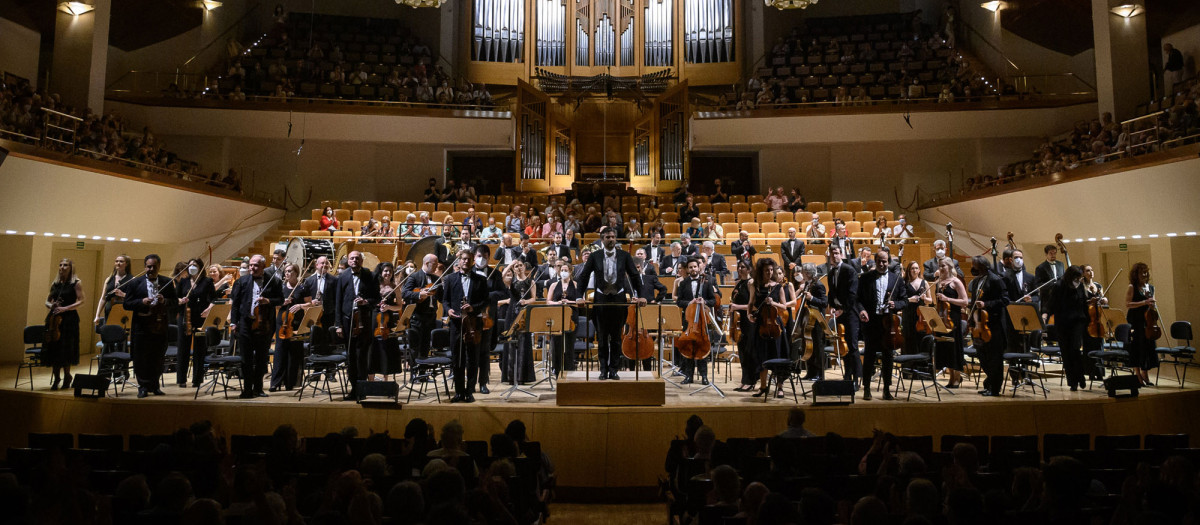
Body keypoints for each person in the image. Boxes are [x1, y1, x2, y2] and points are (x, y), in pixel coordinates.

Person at [576, 227, 645, 380]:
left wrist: (641, 296)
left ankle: (614, 369)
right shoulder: (595, 256)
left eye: (613, 237)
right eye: (608, 237)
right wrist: (578, 297)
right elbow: (584, 277)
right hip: (601, 301)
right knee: (601, 338)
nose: (611, 239)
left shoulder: (624, 256)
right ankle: (603, 370)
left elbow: (634, 276)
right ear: (602, 239)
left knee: (616, 338)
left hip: (619, 300)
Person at [229, 254, 283, 399]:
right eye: (251, 265)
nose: (252, 268)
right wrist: (233, 323)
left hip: (264, 324)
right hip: (246, 323)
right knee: (246, 358)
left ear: (263, 266)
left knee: (261, 358)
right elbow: (235, 304)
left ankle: (258, 388)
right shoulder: (242, 281)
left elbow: (281, 300)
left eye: (256, 265)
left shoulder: (274, 281)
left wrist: (268, 301)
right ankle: (247, 389)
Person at [124, 254, 178, 398]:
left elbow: (174, 302)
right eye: (148, 266)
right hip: (141, 325)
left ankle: (154, 385)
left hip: (160, 325)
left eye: (154, 266)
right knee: (141, 357)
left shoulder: (167, 282)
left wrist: (164, 300)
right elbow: (127, 304)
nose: (151, 269)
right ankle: (142, 386)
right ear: (144, 266)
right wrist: (141, 302)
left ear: (159, 266)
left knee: (158, 356)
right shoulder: (135, 283)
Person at [333, 251, 381, 401]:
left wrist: (366, 302)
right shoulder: (342, 276)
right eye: (352, 258)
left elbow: (377, 298)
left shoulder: (369, 275)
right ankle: (354, 389)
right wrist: (338, 325)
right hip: (347, 321)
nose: (354, 261)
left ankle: (362, 388)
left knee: (362, 356)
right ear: (348, 260)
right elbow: (338, 302)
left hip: (364, 320)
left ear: (361, 260)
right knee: (351, 357)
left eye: (357, 259)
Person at [443, 250, 489, 402]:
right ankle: (458, 392)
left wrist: (473, 308)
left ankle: (469, 392)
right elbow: (445, 301)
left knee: (473, 359)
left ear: (473, 262)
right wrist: (448, 310)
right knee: (457, 359)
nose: (465, 262)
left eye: (468, 259)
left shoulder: (481, 280)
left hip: (473, 324)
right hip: (456, 324)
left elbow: (485, 301)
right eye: (463, 259)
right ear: (459, 261)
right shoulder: (449, 279)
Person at [856, 251, 901, 400]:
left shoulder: (896, 279)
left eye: (885, 261)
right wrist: (862, 310)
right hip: (871, 323)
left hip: (888, 324)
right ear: (875, 261)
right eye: (879, 261)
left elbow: (905, 300)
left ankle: (886, 389)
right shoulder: (865, 278)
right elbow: (857, 299)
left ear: (888, 261)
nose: (882, 264)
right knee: (869, 356)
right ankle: (867, 389)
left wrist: (897, 304)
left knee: (888, 357)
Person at [967, 256, 1010, 397]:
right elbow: (974, 301)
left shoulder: (995, 280)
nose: (973, 268)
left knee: (994, 358)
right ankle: (989, 383)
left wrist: (986, 304)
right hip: (979, 325)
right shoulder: (978, 280)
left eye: (975, 265)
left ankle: (995, 388)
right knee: (983, 356)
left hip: (993, 325)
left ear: (982, 266)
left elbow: (1004, 300)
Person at [747, 259, 789, 398]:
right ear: (761, 271)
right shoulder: (756, 286)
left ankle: (780, 387)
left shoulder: (778, 286)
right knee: (762, 355)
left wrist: (774, 303)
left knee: (777, 354)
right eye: (766, 270)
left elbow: (784, 306)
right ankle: (763, 386)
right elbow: (751, 302)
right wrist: (748, 313)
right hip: (761, 324)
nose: (770, 273)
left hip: (775, 325)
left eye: (771, 270)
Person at [44, 258, 85, 390]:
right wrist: (52, 305)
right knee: (54, 349)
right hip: (54, 319)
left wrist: (65, 308)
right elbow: (47, 300)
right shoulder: (55, 283)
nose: (62, 267)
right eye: (60, 265)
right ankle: (56, 378)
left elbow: (81, 300)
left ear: (71, 268)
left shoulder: (76, 283)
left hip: (69, 320)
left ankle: (67, 376)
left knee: (66, 349)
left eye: (65, 265)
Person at [676, 257, 716, 385]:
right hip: (689, 321)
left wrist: (704, 302)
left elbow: (713, 300)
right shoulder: (683, 283)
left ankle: (704, 376)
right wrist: (690, 303)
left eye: (695, 267)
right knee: (688, 349)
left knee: (702, 349)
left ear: (699, 268)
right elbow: (679, 301)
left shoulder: (707, 282)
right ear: (687, 270)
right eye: (690, 267)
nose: (693, 269)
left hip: (702, 321)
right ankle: (689, 376)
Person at [401, 254, 442, 378]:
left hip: (430, 316)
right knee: (414, 346)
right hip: (417, 317)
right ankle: (414, 374)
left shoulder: (436, 279)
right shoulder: (414, 276)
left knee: (425, 346)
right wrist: (419, 294)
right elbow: (405, 293)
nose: (436, 267)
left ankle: (423, 374)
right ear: (427, 263)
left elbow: (441, 297)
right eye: (434, 264)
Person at [1050, 265, 1090, 391]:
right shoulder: (1059, 286)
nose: (1078, 281)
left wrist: (1088, 319)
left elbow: (1083, 302)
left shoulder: (1079, 285)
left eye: (1079, 278)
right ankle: (1072, 382)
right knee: (1066, 352)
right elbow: (1053, 305)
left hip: (1077, 322)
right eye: (1076, 278)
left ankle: (1080, 377)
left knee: (1075, 349)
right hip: (1063, 323)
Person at [176, 257, 214, 388]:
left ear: (200, 267)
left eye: (195, 265)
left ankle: (197, 379)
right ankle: (181, 379)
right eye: (190, 265)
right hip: (185, 317)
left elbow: (213, 299)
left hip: (200, 317)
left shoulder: (207, 281)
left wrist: (209, 308)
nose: (192, 267)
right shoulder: (183, 281)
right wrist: (180, 301)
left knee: (199, 348)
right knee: (183, 348)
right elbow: (176, 297)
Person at [827, 246, 861, 386]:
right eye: (832, 253)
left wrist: (843, 310)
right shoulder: (830, 272)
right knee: (843, 346)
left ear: (841, 254)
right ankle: (847, 376)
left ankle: (856, 379)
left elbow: (853, 294)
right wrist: (832, 306)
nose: (834, 255)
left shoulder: (849, 270)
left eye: (837, 253)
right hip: (839, 312)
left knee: (852, 346)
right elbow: (831, 293)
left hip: (850, 313)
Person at [270, 263, 305, 391]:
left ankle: (290, 382)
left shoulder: (301, 288)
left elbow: (310, 303)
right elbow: (274, 304)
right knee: (279, 351)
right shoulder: (281, 288)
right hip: (282, 321)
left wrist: (301, 306)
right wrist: (282, 302)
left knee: (294, 352)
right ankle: (275, 382)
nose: (287, 273)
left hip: (296, 322)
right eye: (286, 271)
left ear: (296, 273)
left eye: (290, 271)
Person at [934, 258, 968, 388]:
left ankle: (957, 377)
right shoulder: (938, 282)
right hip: (942, 317)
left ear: (949, 267)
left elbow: (965, 301)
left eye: (943, 266)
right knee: (946, 348)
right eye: (939, 266)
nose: (941, 268)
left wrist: (947, 298)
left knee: (954, 347)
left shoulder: (956, 281)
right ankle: (951, 376)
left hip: (953, 317)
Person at [1124, 262, 1160, 386]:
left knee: (1147, 348)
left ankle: (1145, 373)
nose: (1144, 274)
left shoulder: (1151, 287)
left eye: (1146, 272)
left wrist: (1152, 304)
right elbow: (1128, 304)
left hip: (1147, 322)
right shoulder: (1132, 287)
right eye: (1141, 272)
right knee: (1137, 348)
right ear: (1136, 274)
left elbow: (1153, 305)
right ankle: (1138, 375)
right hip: (1136, 321)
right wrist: (1144, 302)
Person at [501, 261, 536, 386]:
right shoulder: (511, 281)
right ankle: (511, 376)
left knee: (524, 342)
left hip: (524, 313)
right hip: (511, 313)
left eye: (521, 265)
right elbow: (503, 275)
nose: (519, 267)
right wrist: (510, 265)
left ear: (525, 267)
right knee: (511, 342)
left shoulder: (530, 281)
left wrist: (525, 301)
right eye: (517, 266)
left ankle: (523, 376)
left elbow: (533, 298)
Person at [545, 260, 582, 375]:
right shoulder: (554, 285)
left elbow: (580, 303)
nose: (563, 272)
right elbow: (548, 302)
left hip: (571, 318)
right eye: (562, 270)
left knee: (569, 345)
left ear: (570, 271)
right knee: (557, 344)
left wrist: (569, 302)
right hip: (557, 318)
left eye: (566, 270)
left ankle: (569, 370)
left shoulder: (576, 285)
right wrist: (558, 303)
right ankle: (557, 370)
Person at [370, 262, 403, 382]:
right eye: (385, 271)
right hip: (374, 318)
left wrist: (389, 307)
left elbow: (399, 306)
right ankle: (371, 381)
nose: (388, 273)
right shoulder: (374, 286)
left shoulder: (395, 287)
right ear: (381, 272)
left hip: (387, 321)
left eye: (390, 271)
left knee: (386, 349)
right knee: (373, 348)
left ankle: (386, 380)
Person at [795, 263, 828, 380]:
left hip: (818, 321)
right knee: (809, 346)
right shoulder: (808, 284)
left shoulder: (819, 285)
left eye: (803, 273)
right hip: (809, 319)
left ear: (808, 274)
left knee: (818, 347)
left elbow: (824, 303)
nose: (802, 275)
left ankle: (820, 373)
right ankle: (811, 372)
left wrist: (811, 298)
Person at [729, 260, 757, 391]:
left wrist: (736, 307)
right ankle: (744, 380)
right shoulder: (738, 283)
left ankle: (751, 381)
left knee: (750, 351)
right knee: (742, 352)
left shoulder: (751, 283)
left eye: (743, 267)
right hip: (739, 322)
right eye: (739, 267)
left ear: (749, 269)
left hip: (749, 321)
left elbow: (754, 305)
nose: (740, 269)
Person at [894, 260, 932, 356]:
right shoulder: (904, 283)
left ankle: (921, 366)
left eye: (916, 268)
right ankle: (908, 367)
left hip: (921, 317)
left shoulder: (925, 283)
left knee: (921, 338)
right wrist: (910, 299)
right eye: (912, 268)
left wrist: (924, 298)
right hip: (908, 314)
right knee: (908, 338)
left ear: (919, 270)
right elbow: (900, 299)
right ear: (909, 271)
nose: (914, 270)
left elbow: (930, 301)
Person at [1081, 265, 1109, 381]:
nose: (1090, 272)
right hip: (1087, 319)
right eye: (1088, 270)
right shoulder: (1081, 286)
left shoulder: (1097, 286)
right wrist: (1089, 301)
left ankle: (1100, 372)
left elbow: (1103, 299)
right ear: (1083, 273)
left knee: (1099, 345)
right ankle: (1091, 371)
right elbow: (1080, 302)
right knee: (1088, 346)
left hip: (1097, 320)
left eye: (1092, 270)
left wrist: (1104, 300)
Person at [94, 254, 133, 326]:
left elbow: (135, 298)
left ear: (126, 264)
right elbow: (103, 298)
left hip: (123, 312)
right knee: (108, 334)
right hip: (109, 311)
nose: (118, 263)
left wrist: (124, 294)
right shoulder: (109, 279)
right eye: (116, 261)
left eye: (121, 261)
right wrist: (97, 315)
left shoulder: (132, 279)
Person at [1033, 244, 1065, 322]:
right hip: (1047, 299)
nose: (1053, 255)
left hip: (1060, 299)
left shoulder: (1061, 264)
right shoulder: (1040, 268)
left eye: (1054, 253)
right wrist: (1053, 284)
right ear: (1046, 254)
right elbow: (1038, 284)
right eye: (1051, 253)